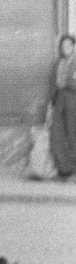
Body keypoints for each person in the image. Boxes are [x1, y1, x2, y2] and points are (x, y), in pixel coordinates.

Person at [51, 34, 76, 178]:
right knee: (57, 132)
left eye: (68, 45)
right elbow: (55, 85)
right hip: (60, 99)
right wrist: (52, 102)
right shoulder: (59, 63)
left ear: (73, 47)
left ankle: (73, 169)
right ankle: (64, 168)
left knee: (72, 134)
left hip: (73, 99)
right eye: (62, 46)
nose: (64, 48)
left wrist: (66, 83)